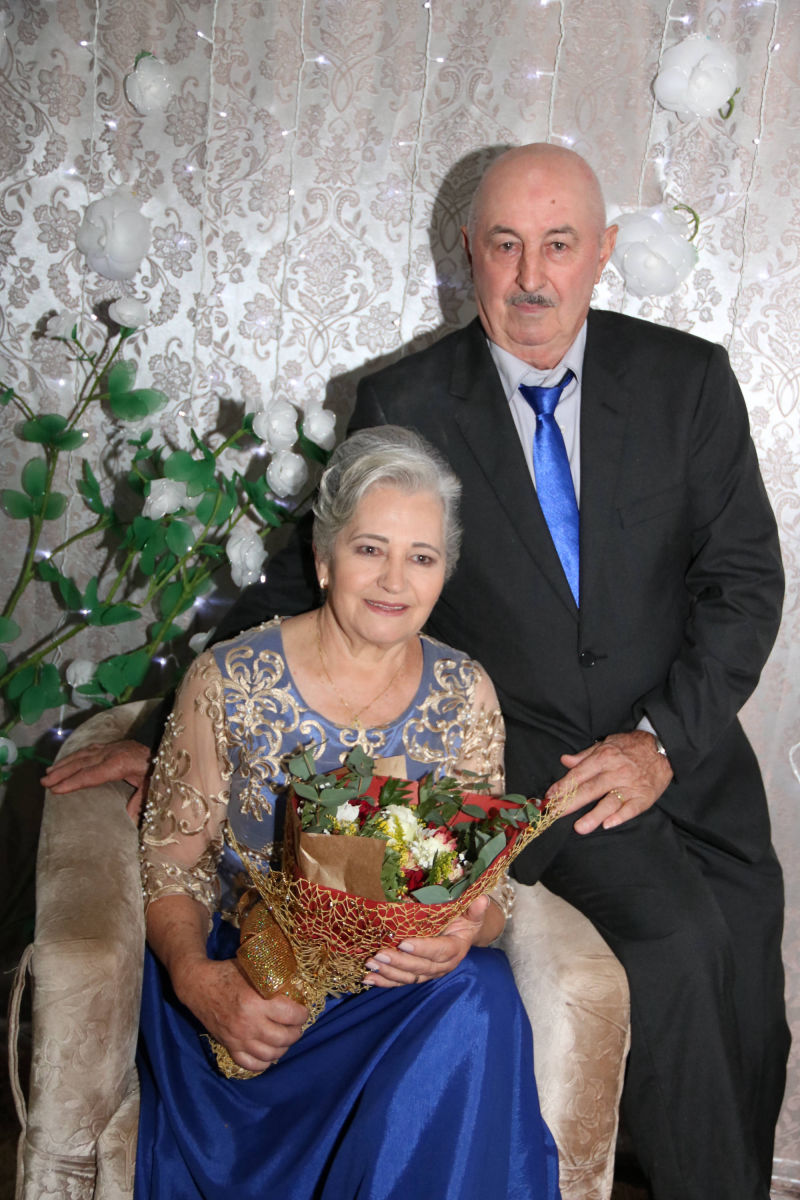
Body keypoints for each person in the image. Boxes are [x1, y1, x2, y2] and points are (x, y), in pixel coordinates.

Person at [45, 143, 789, 1199]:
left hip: (687, 753)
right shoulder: (409, 397)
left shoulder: (688, 380)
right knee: (675, 948)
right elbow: (312, 575)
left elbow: (744, 582)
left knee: (750, 987)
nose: (530, 277)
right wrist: (161, 729)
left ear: (602, 253)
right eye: (504, 246)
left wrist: (663, 740)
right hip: (542, 771)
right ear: (469, 253)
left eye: (558, 245)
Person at [133, 425, 562, 1199]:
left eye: (421, 557)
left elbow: (487, 887)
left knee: (479, 991)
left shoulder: (465, 694)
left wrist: (462, 933)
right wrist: (199, 983)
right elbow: (171, 863)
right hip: (259, 995)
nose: (394, 579)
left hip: (399, 998)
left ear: (444, 573)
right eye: (370, 549)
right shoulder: (229, 680)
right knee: (472, 1001)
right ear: (324, 558)